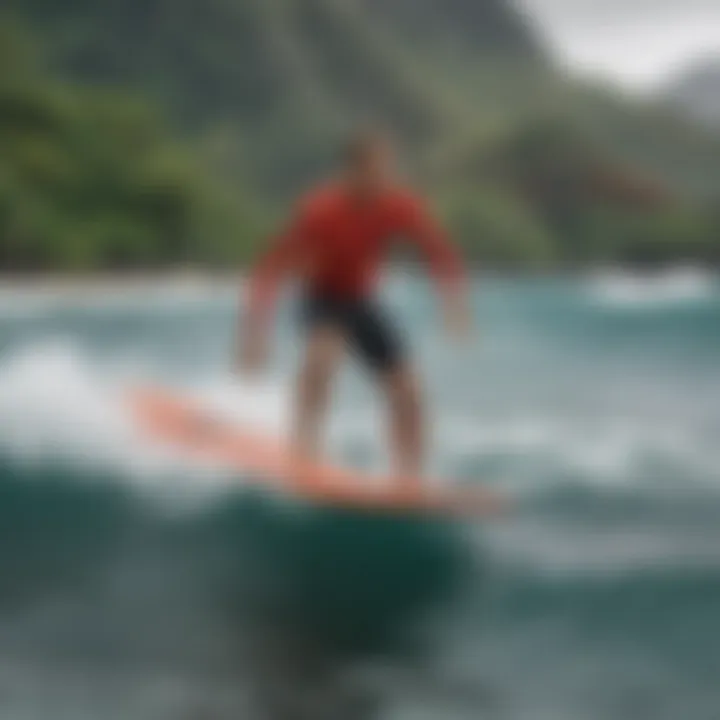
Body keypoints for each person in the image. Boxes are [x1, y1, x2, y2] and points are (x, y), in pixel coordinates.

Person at [237, 129, 471, 489]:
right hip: (322, 296)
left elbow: (439, 251)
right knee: (322, 359)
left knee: (408, 390)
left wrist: (453, 304)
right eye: (377, 170)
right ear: (352, 171)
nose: (385, 177)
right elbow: (271, 268)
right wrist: (254, 335)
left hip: (362, 300)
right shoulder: (320, 209)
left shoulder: (398, 204)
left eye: (388, 169)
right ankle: (304, 450)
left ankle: (410, 476)